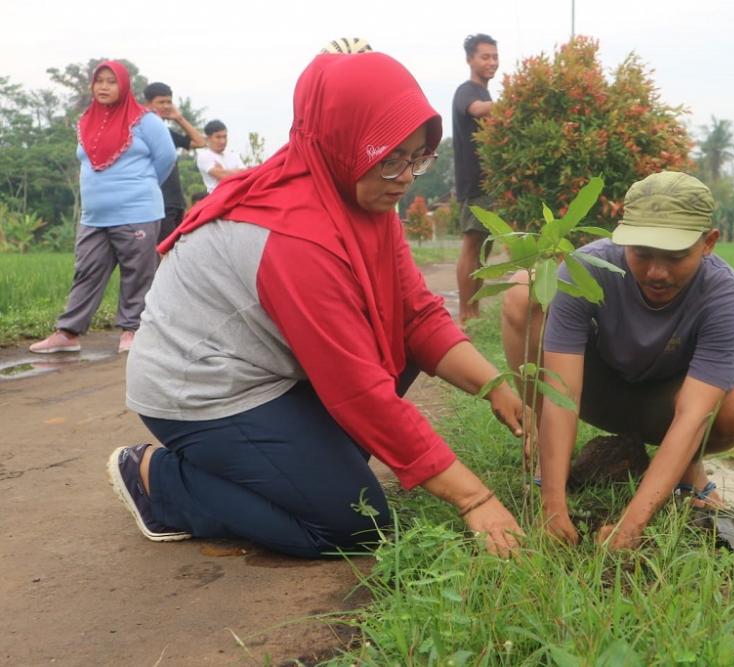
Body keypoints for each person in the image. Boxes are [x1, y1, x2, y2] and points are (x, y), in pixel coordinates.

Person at [109, 52, 526, 559]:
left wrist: (495, 387)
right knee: (350, 527)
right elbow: (359, 391)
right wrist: (474, 498)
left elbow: (415, 315)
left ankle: (300, 462)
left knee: (391, 345)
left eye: (417, 157)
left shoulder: (363, 199)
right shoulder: (294, 238)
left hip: (273, 373)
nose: (406, 178)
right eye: (389, 157)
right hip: (204, 390)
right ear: (340, 141)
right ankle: (160, 479)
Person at [501, 171, 734, 551]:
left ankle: (688, 468)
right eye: (641, 253)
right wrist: (553, 508)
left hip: (666, 405)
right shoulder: (586, 268)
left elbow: (693, 414)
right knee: (524, 292)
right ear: (622, 237)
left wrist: (632, 525)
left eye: (675, 257)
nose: (656, 272)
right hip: (596, 389)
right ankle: (545, 450)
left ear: (709, 243)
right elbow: (561, 389)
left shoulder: (727, 298)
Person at [29, 61, 175, 355]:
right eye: (100, 81)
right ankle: (68, 333)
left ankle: (132, 331)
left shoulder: (145, 121)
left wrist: (140, 187)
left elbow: (166, 158)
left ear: (124, 86)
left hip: (137, 211)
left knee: (137, 274)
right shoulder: (85, 120)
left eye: (112, 81)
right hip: (95, 215)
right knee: (86, 270)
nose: (104, 87)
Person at [453, 33, 499, 325]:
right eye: (485, 56)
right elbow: (477, 111)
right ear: (470, 59)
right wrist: (513, 102)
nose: (492, 62)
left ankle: (476, 311)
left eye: (495, 57)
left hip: (490, 184)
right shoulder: (467, 91)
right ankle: (466, 313)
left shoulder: (486, 94)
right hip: (474, 183)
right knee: (472, 245)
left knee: (485, 246)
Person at [143, 82, 207, 243]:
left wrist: (179, 118)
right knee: (163, 252)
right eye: (161, 102)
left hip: (175, 201)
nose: (166, 106)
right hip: (158, 202)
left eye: (168, 102)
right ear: (149, 104)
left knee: (173, 251)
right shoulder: (142, 131)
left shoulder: (166, 133)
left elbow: (200, 142)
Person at [195, 120, 246, 193]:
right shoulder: (204, 156)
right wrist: (235, 172)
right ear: (208, 138)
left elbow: (245, 174)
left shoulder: (233, 155)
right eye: (218, 137)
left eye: (225, 137)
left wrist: (224, 171)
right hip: (218, 198)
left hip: (237, 193)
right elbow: (224, 176)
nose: (223, 141)